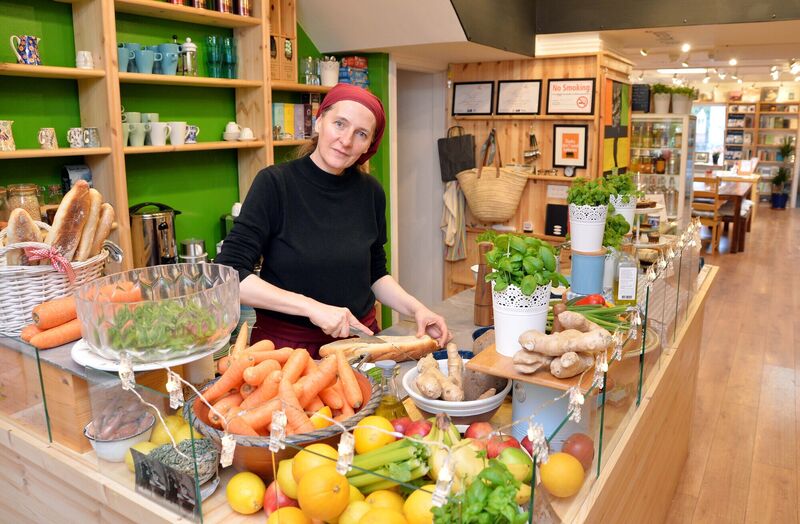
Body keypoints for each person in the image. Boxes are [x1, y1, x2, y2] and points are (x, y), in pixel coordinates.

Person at [216, 83, 449, 356]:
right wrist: (311, 307)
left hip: (359, 344)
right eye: (340, 124)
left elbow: (375, 273)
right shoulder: (275, 184)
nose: (346, 140)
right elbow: (229, 276)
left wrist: (417, 309)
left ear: (368, 146)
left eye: (361, 134)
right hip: (286, 351)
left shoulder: (371, 192)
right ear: (319, 122)